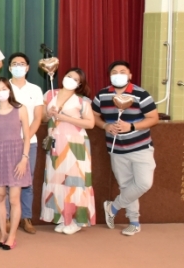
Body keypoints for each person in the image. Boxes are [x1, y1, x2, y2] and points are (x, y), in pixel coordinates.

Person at [92, 60, 159, 236]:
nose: (118, 75)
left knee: (144, 183)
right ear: (109, 76)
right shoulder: (102, 95)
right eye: (114, 72)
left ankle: (113, 207)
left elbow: (153, 118)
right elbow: (94, 116)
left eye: (122, 72)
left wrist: (132, 126)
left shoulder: (140, 94)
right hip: (116, 149)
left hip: (141, 147)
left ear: (130, 75)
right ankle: (133, 221)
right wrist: (105, 126)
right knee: (126, 186)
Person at [42, 68, 96, 234]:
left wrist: (65, 118)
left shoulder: (82, 101)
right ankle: (62, 217)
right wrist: (49, 114)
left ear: (79, 84)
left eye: (75, 79)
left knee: (75, 182)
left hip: (76, 144)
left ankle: (75, 219)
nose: (70, 79)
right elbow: (43, 118)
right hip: (55, 142)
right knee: (57, 180)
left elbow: (90, 123)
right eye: (68, 76)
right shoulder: (50, 94)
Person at [0, 77, 33, 250]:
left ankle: (12, 236)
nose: (1, 92)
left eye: (4, 89)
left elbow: (27, 136)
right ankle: (3, 234)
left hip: (16, 155)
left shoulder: (20, 109)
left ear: (9, 90)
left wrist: (24, 159)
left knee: (14, 199)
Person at [7, 52, 44, 234]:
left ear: (28, 68)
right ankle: (7, 217)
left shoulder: (35, 90)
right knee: (8, 180)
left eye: (22, 64)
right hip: (7, 142)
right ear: (9, 68)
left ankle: (26, 218)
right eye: (14, 64)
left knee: (27, 181)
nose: (18, 67)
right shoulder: (4, 88)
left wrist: (27, 137)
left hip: (30, 142)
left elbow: (38, 117)